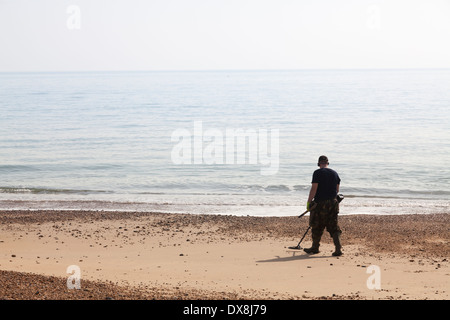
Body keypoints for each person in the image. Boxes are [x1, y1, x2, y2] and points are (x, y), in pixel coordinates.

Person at [304, 155, 342, 256]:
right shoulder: (335, 173)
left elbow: (314, 189)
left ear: (319, 163)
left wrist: (309, 202)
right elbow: (337, 190)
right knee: (333, 225)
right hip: (333, 203)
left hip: (320, 203)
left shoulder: (317, 173)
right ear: (327, 163)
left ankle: (315, 248)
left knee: (317, 225)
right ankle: (338, 249)